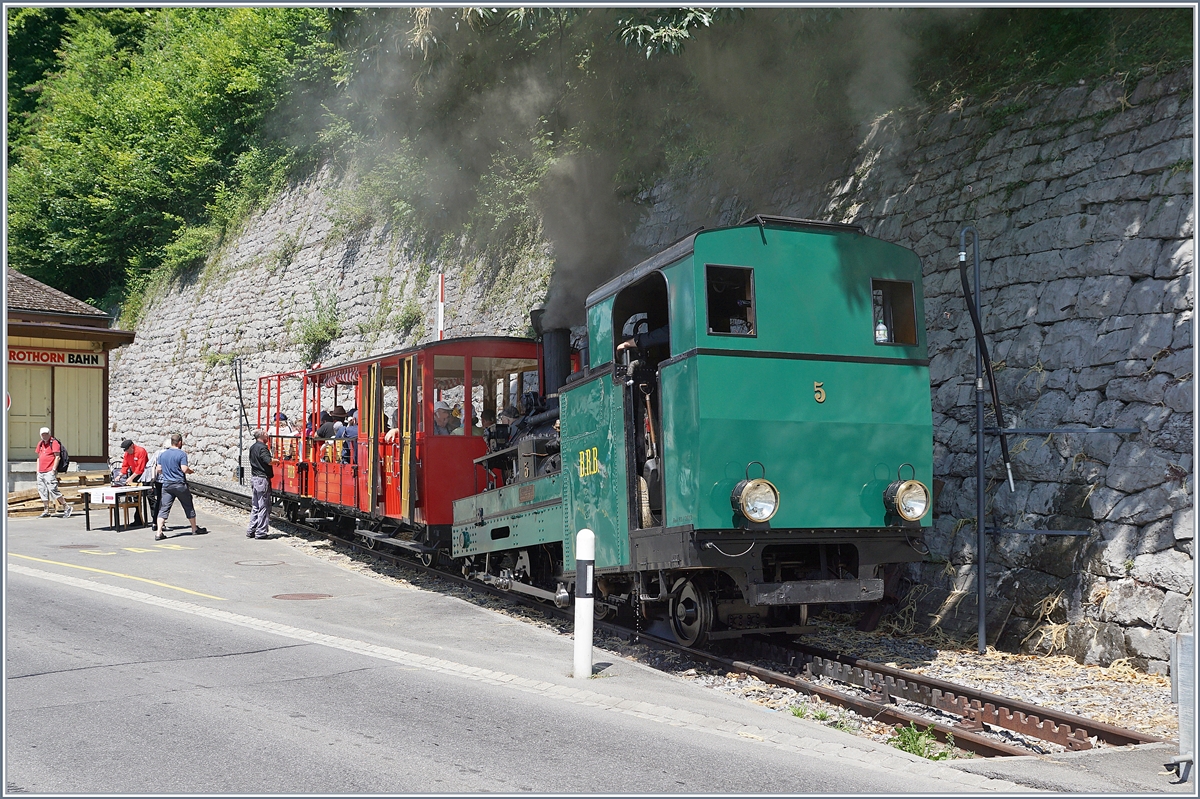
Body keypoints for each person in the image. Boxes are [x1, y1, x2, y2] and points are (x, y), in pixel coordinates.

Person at [154, 433, 207, 541]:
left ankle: (159, 532)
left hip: (167, 485)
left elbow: (158, 469)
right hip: (179, 484)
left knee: (164, 508)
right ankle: (194, 529)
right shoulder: (181, 454)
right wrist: (190, 471)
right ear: (179, 442)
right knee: (188, 505)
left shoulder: (162, 454)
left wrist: (167, 472)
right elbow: (184, 469)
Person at [35, 427, 71, 518]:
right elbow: (39, 457)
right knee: (42, 490)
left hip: (49, 471)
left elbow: (57, 457)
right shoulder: (40, 444)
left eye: (46, 434)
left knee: (53, 490)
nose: (44, 436)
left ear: (49, 434)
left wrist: (53, 470)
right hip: (41, 471)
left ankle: (66, 507)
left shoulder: (54, 442)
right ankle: (46, 510)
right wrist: (37, 470)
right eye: (43, 434)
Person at [246, 429, 273, 540]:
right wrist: (276, 461)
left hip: (255, 478)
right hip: (262, 479)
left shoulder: (252, 447)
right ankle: (261, 532)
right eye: (266, 434)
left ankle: (251, 530)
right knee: (263, 506)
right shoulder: (263, 448)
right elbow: (268, 461)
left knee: (256, 506)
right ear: (261, 436)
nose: (268, 435)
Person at [144, 437, 170, 520]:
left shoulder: (158, 452)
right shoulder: (172, 453)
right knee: (165, 502)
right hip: (169, 480)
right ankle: (161, 522)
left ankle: (155, 521)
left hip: (158, 480)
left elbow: (149, 465)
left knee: (159, 500)